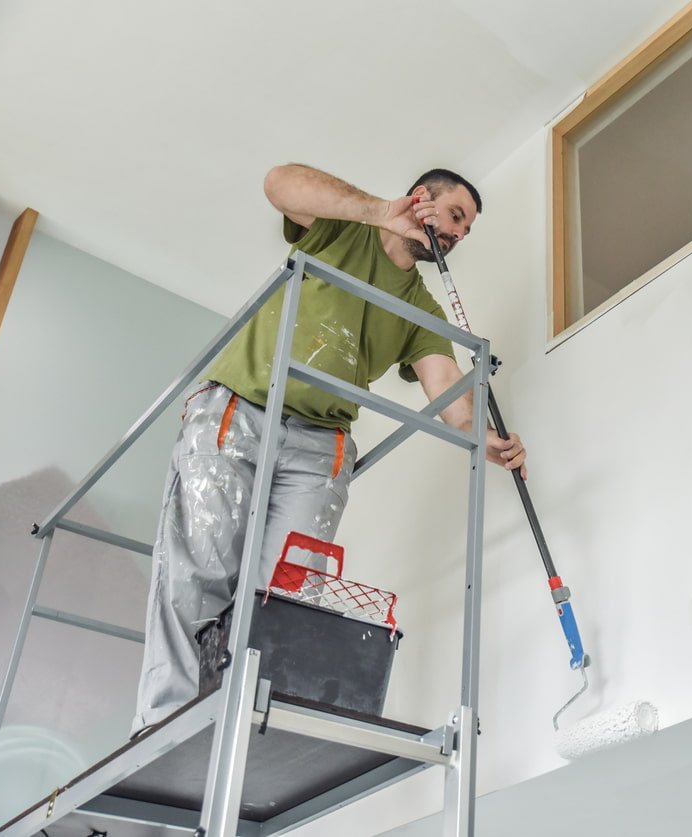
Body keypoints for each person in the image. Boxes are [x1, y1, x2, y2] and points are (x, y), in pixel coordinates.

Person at [131, 164, 525, 734]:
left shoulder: (423, 312)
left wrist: (488, 441)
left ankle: (243, 734)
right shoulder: (343, 229)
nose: (458, 236)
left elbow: (452, 400)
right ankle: (165, 725)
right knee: (200, 574)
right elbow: (278, 183)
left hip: (320, 451)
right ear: (422, 200)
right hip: (240, 412)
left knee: (284, 600)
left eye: (466, 232)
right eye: (456, 217)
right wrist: (376, 211)